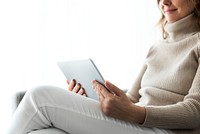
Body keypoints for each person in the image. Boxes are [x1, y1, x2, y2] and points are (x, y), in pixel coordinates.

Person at [8, 0, 200, 133]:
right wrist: (88, 99)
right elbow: (131, 99)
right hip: (139, 124)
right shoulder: (157, 47)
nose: (164, 2)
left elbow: (195, 112)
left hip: (167, 130)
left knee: (39, 97)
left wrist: (136, 113)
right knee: (45, 133)